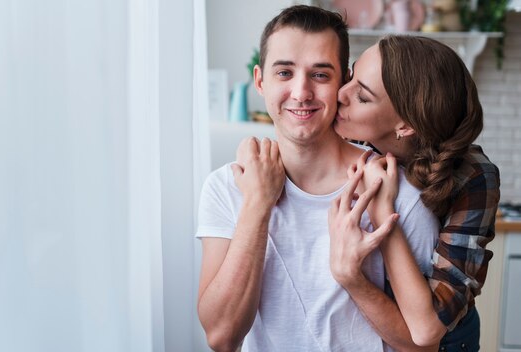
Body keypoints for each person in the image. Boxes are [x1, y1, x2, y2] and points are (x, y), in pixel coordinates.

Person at [195, 6, 439, 351]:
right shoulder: (224, 187)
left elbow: (424, 346)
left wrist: (353, 278)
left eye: (320, 75)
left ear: (343, 83)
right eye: (284, 73)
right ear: (260, 81)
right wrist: (258, 204)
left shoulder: (395, 192)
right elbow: (222, 337)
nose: (301, 92)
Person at [330, 35, 500, 352]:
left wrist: (384, 215)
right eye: (351, 76)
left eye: (362, 97)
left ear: (405, 126)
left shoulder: (475, 177)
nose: (340, 93)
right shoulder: (363, 138)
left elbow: (426, 330)